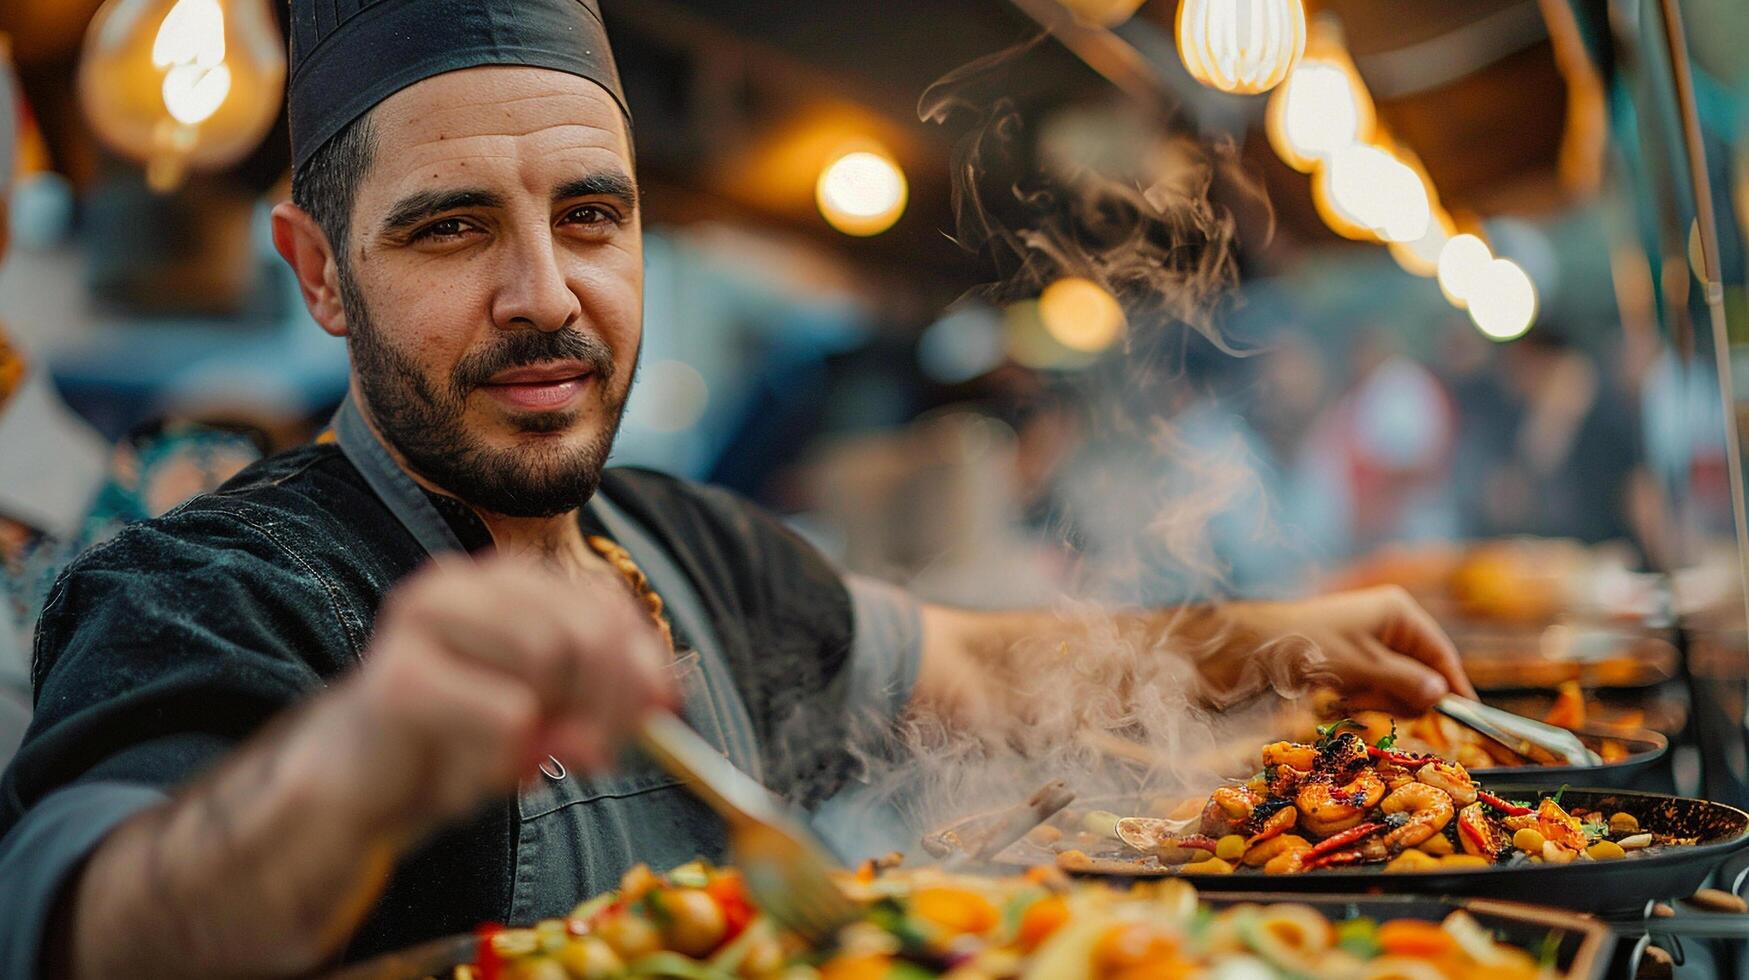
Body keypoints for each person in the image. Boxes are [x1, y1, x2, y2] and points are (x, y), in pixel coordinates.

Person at [0, 2, 1475, 975]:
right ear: (320, 273)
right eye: (449, 231)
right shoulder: (205, 588)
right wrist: (356, 765)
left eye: (590, 216)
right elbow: (84, 926)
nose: (543, 294)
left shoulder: (685, 543)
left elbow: (966, 663)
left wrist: (1265, 634)